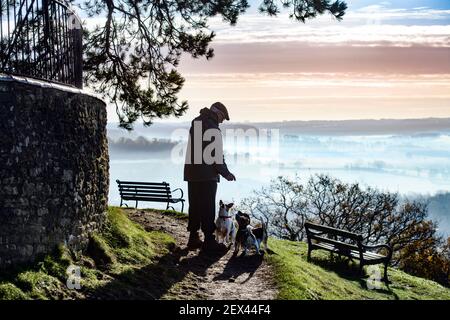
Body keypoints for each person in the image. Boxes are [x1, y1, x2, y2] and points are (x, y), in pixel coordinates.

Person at [184, 102, 236, 253]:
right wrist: (225, 173)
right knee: (207, 207)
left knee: (194, 205)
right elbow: (216, 155)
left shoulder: (196, 122)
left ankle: (193, 237)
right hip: (207, 175)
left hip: (192, 173)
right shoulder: (212, 128)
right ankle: (208, 240)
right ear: (217, 112)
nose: (222, 121)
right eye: (222, 117)